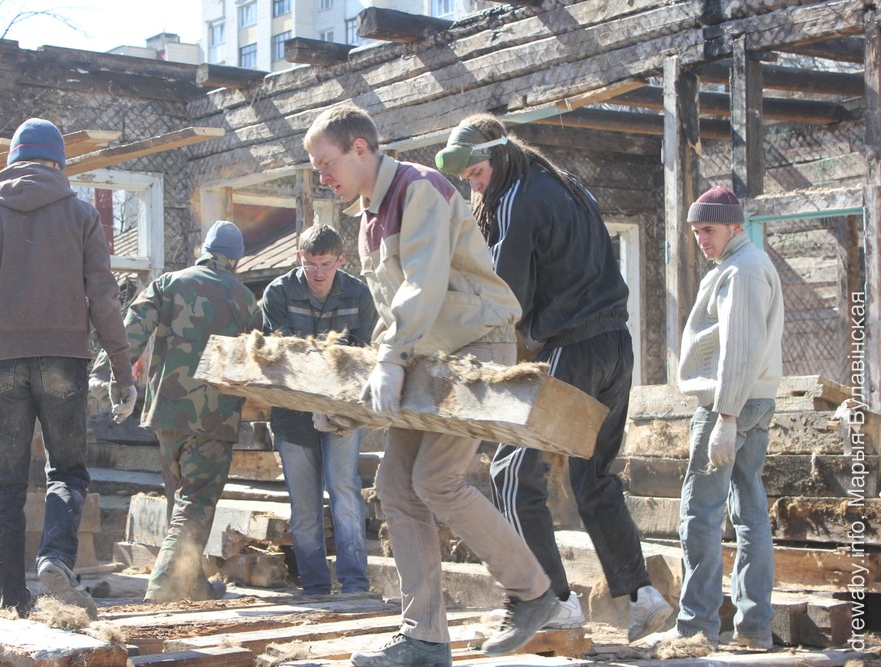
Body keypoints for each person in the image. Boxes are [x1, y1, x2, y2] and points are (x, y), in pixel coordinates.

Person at [303, 102, 560, 667]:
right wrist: (355, 392)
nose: (322, 177)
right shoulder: (369, 217)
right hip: (429, 355)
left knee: (436, 479)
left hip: (475, 347)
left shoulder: (419, 188)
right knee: (396, 486)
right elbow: (393, 310)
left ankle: (532, 591)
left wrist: (392, 359)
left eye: (326, 163)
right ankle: (424, 637)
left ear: (360, 148)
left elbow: (423, 283)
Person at [435, 113, 673, 641]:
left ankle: (552, 602)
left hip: (573, 349)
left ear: (496, 156)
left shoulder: (517, 199)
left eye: (476, 175)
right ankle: (643, 597)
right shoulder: (569, 185)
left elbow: (505, 297)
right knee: (594, 478)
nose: (475, 186)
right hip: (617, 347)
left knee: (512, 472)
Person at [0, 118, 137, 619]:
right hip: (65, 359)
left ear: (12, 160)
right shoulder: (81, 214)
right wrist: (123, 374)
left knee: (6, 486)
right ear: (59, 162)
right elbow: (104, 299)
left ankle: (6, 602)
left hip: (2, 363)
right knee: (66, 471)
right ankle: (55, 559)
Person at [92, 220, 262, 603]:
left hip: (166, 414)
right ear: (236, 260)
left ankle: (193, 582)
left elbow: (131, 329)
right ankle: (164, 586)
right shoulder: (245, 300)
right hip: (214, 418)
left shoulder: (168, 283)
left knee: (180, 502)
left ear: (204, 251)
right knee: (196, 503)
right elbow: (257, 360)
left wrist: (107, 376)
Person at [645, 186, 784, 649]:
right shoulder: (743, 264)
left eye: (709, 229)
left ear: (735, 226)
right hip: (754, 402)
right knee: (749, 512)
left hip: (730, 405)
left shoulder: (742, 271)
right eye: (696, 232)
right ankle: (754, 628)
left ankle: (696, 626)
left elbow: (740, 348)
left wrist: (725, 416)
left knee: (700, 514)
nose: (702, 239)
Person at [260, 223, 378, 595]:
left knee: (344, 490)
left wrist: (337, 403)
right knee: (304, 502)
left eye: (326, 264)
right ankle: (314, 585)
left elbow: (366, 356)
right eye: (310, 264)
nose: (318, 272)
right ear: (300, 258)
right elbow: (282, 355)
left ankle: (354, 582)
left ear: (341, 260)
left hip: (342, 411)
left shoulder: (359, 294)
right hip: (292, 412)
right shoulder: (278, 292)